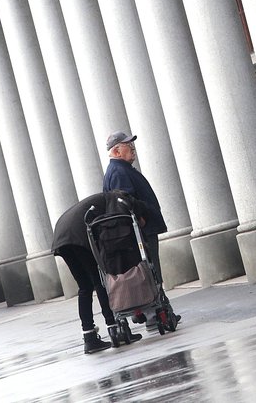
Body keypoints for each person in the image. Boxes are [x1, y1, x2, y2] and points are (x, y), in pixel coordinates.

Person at [52, 190, 144, 354]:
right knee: (100, 281)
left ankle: (89, 338)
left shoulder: (102, 199)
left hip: (61, 238)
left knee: (85, 287)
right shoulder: (118, 199)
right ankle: (114, 328)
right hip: (77, 236)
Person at [102, 132, 168, 284]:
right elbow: (124, 202)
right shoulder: (119, 171)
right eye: (128, 145)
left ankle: (158, 302)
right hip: (141, 232)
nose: (133, 148)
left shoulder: (121, 168)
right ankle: (159, 304)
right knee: (151, 272)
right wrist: (141, 219)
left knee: (151, 270)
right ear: (116, 151)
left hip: (142, 230)